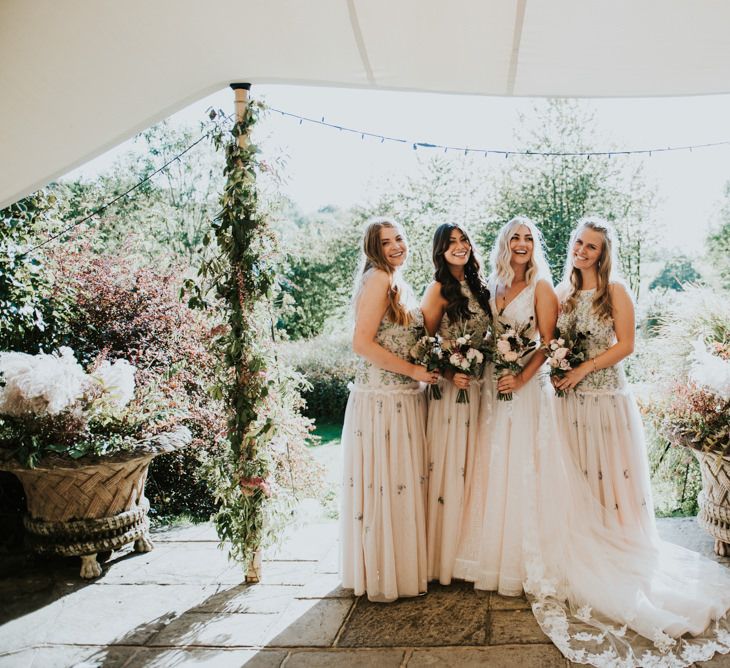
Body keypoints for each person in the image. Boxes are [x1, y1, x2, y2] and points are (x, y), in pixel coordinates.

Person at [452, 216, 558, 593]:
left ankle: (520, 560)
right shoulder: (494, 284)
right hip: (491, 386)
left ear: (534, 245)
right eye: (515, 236)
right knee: (492, 462)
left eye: (528, 237)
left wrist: (522, 377)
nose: (522, 243)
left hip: (525, 388)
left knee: (523, 464)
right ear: (505, 243)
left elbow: (548, 343)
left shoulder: (540, 287)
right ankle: (487, 554)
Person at [339, 217, 439, 603]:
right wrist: (414, 370)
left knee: (399, 483)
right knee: (387, 482)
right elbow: (362, 343)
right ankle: (385, 573)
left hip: (404, 399)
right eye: (386, 242)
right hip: (383, 400)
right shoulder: (379, 278)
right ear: (373, 248)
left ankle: (399, 566)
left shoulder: (397, 281)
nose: (397, 245)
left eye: (399, 238)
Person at [552, 218, 654, 540]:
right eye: (579, 242)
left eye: (591, 246)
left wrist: (585, 368)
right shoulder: (562, 291)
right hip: (569, 399)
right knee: (578, 473)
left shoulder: (615, 291)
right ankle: (585, 542)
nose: (581, 250)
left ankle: (617, 541)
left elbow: (626, 345)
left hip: (605, 397)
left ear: (602, 254)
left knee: (608, 473)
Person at [420, 223, 491, 585]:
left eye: (464, 240)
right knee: (450, 468)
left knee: (474, 469)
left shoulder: (479, 286)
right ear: (440, 251)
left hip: (479, 390)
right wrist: (449, 374)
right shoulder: (437, 291)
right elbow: (424, 343)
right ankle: (441, 561)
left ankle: (469, 551)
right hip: (452, 394)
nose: (460, 246)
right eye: (451, 243)